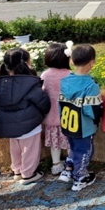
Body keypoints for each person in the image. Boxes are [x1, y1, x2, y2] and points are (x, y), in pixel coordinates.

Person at [0, 48, 51, 185]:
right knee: (30, 150)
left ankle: (17, 171)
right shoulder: (30, 82)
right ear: (26, 63)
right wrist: (42, 114)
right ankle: (28, 174)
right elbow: (43, 102)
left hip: (8, 126)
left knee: (15, 148)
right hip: (29, 124)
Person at [59, 44, 102, 192]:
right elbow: (92, 110)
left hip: (67, 123)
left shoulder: (65, 81)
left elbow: (61, 104)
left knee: (74, 147)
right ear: (92, 62)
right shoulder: (91, 86)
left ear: (71, 61)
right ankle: (80, 177)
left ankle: (68, 168)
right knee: (85, 150)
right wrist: (98, 117)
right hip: (84, 127)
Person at [40, 42, 72, 175]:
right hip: (68, 117)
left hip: (50, 117)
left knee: (55, 143)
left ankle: (56, 164)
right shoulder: (70, 75)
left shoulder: (45, 75)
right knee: (70, 143)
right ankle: (71, 163)